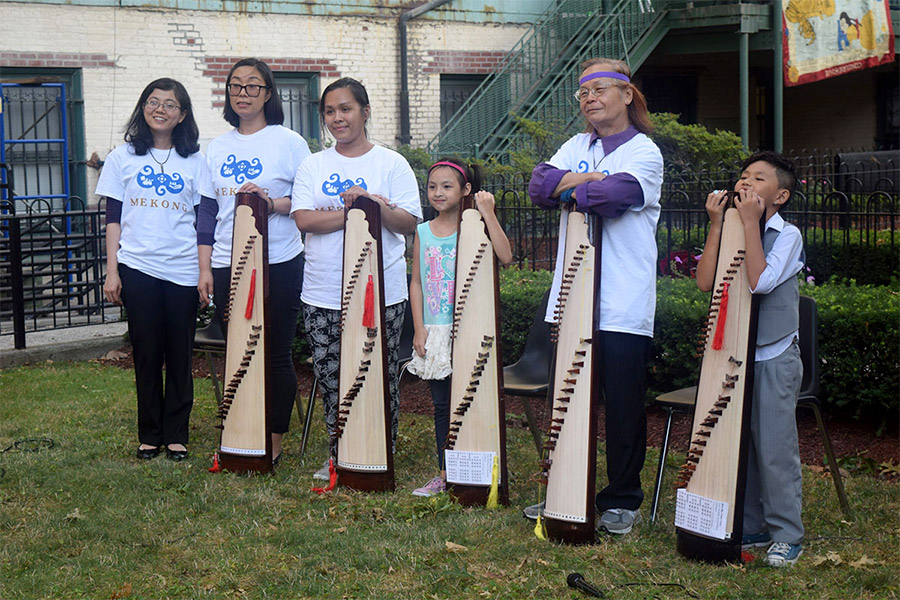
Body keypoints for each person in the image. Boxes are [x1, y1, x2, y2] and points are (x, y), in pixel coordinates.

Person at [526, 58, 663, 534]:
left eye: (600, 89)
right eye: (583, 92)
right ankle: (565, 487)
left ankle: (622, 499)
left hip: (622, 303)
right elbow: (537, 186)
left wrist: (572, 187)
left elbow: (615, 197)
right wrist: (586, 183)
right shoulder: (575, 144)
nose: (589, 98)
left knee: (623, 406)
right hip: (571, 297)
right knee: (567, 397)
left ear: (627, 95)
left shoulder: (644, 151)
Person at [291, 77, 422, 479]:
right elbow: (304, 219)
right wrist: (356, 213)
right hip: (323, 289)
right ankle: (340, 451)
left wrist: (374, 204)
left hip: (381, 289)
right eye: (329, 111)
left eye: (345, 109)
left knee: (378, 373)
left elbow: (409, 222)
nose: (337, 118)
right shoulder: (314, 164)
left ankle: (381, 449)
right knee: (331, 375)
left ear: (365, 112)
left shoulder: (391, 163)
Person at [197, 58, 311, 463]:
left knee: (276, 351)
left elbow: (305, 200)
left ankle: (274, 440)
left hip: (278, 259)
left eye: (252, 86)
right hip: (230, 262)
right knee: (239, 349)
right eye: (235, 86)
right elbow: (208, 213)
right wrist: (206, 267)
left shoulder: (289, 142)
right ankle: (241, 430)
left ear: (268, 93)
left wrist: (270, 203)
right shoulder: (219, 146)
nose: (243, 93)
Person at [696, 151, 805, 568]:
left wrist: (747, 225)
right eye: (743, 176)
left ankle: (787, 534)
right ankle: (754, 524)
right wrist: (717, 225)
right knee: (742, 442)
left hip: (774, 355)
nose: (745, 183)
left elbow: (759, 282)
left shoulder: (787, 235)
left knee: (774, 447)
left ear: (779, 196)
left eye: (758, 179)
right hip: (735, 356)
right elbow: (707, 281)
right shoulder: (732, 228)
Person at [98, 78, 204, 461]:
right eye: (153, 101)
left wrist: (203, 270)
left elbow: (203, 220)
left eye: (170, 104)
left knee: (179, 353)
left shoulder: (195, 160)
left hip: (182, 269)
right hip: (137, 266)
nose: (161, 109)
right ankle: (150, 434)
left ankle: (176, 434)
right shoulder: (122, 157)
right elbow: (113, 217)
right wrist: (113, 271)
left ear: (182, 115)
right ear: (143, 107)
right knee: (145, 352)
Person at [408, 158, 513, 497]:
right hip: (435, 330)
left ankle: (480, 466)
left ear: (466, 190)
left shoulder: (476, 228)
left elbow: (506, 256)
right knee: (442, 404)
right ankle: (445, 471)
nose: (438, 193)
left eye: (446, 186)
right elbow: (417, 283)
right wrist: (419, 327)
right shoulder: (423, 231)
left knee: (474, 398)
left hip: (471, 329)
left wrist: (489, 213)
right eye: (432, 187)